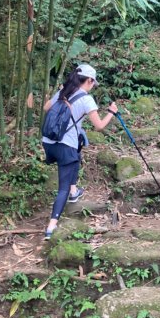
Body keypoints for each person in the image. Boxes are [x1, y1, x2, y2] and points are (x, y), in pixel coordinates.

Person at [42, 64, 118, 240]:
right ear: (89, 80)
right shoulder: (86, 99)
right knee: (62, 188)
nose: (93, 85)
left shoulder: (63, 92)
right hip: (64, 147)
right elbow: (99, 126)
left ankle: (74, 190)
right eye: (93, 82)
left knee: (77, 150)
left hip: (48, 143)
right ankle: (51, 227)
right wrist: (111, 113)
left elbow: (47, 108)